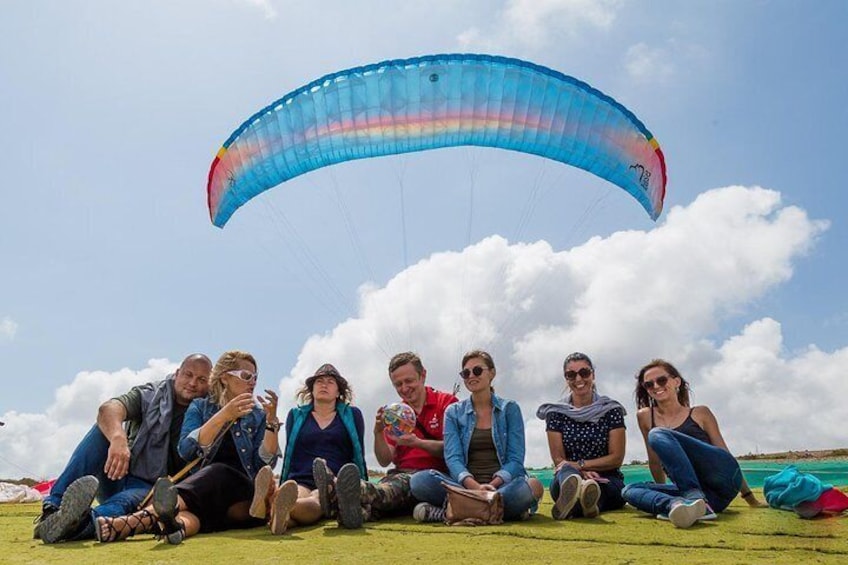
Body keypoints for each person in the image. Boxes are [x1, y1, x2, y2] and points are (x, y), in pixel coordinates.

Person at [95, 350, 281, 544]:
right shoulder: (200, 407)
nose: (253, 381)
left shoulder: (258, 415)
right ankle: (175, 529)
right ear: (225, 378)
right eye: (246, 376)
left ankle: (132, 522)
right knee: (188, 516)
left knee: (219, 471)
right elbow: (186, 448)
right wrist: (225, 414)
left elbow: (265, 462)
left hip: (242, 498)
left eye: (255, 377)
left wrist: (271, 424)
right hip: (205, 496)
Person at [35, 353, 212, 544]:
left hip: (152, 488)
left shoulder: (208, 411)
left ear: (209, 384)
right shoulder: (151, 393)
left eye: (201, 379)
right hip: (119, 469)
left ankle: (73, 525)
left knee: (124, 502)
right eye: (188, 375)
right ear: (177, 373)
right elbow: (108, 409)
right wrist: (118, 438)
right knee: (103, 429)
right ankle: (52, 509)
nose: (193, 383)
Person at [621, 359, 765, 528]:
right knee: (628, 490)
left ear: (676, 382)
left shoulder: (700, 413)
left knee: (658, 434)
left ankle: (692, 498)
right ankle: (677, 506)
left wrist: (749, 497)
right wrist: (661, 488)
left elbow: (725, 455)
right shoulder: (645, 416)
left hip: (722, 483)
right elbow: (654, 461)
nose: (656, 386)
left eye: (661, 380)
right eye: (649, 384)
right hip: (711, 501)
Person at [410, 350, 542, 522]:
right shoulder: (454, 412)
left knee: (533, 486)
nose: (471, 376)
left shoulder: (509, 409)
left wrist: (491, 486)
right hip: (465, 487)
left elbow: (515, 459)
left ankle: (453, 512)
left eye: (477, 370)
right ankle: (495, 511)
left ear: (492, 373)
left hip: (501, 487)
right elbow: (453, 458)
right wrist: (475, 487)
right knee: (419, 481)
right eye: (466, 373)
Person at [333, 351, 458, 526]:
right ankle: (350, 512)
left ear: (423, 375)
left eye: (409, 381)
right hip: (399, 475)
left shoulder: (447, 403)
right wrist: (377, 433)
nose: (404, 388)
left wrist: (418, 443)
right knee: (378, 503)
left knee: (390, 491)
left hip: (432, 477)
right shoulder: (396, 414)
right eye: (398, 384)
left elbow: (455, 451)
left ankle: (339, 489)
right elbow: (384, 460)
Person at [251, 363, 367, 534]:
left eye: (330, 382)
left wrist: (360, 485)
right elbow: (291, 452)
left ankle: (272, 501)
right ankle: (281, 508)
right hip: (300, 478)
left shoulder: (352, 415)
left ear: (338, 392)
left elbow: (358, 451)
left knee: (317, 499)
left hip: (331, 480)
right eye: (319, 381)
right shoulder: (296, 415)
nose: (324, 384)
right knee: (296, 493)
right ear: (311, 389)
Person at [536, 352, 626, 520]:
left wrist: (581, 465)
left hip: (606, 478)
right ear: (566, 378)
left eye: (584, 373)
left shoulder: (611, 410)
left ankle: (581, 503)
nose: (578, 379)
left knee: (599, 489)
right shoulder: (556, 412)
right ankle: (580, 498)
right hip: (566, 477)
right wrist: (580, 473)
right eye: (571, 374)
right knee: (566, 474)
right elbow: (558, 459)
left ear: (593, 374)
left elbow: (616, 458)